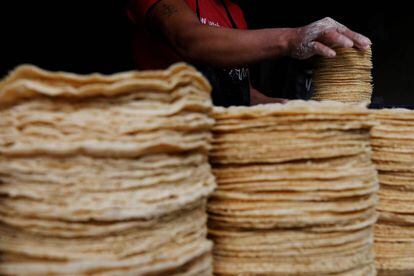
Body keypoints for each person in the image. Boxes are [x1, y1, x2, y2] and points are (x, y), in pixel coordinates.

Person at [127, 0, 371, 106]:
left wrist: (281, 106)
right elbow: (189, 40)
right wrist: (291, 38)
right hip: (163, 131)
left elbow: (236, 89)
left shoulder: (235, 13)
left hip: (221, 137)